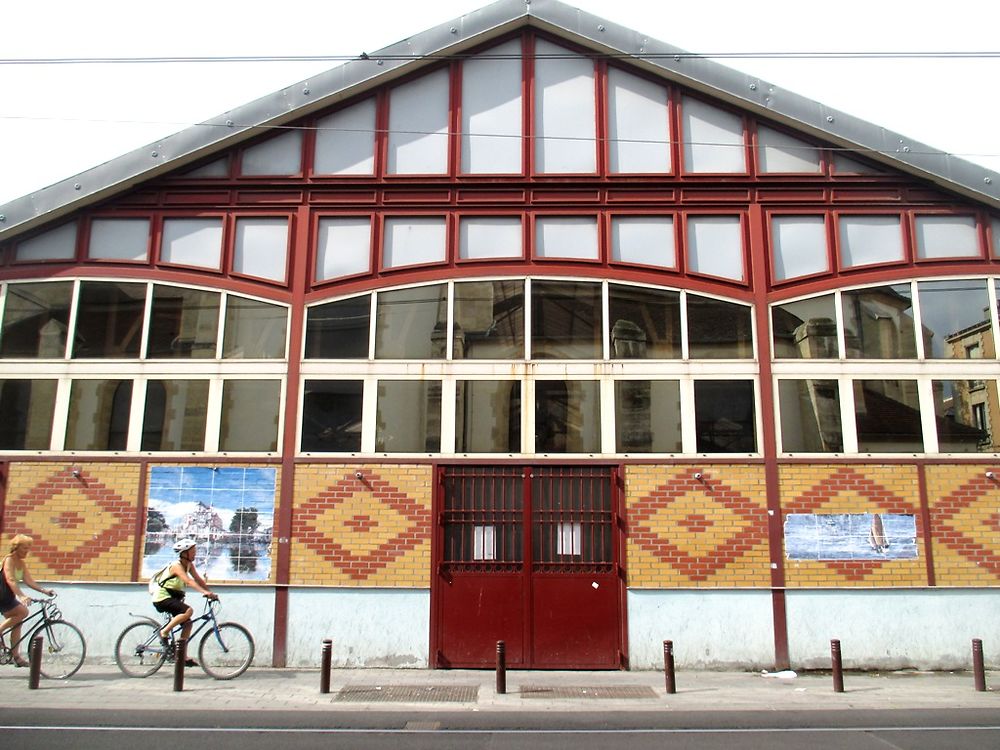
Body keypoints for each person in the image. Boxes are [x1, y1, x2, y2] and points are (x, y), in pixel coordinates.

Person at [151, 538, 218, 666]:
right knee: (188, 611)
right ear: (184, 553)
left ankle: (181, 655)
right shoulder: (176, 566)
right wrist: (203, 592)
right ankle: (164, 632)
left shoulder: (189, 565)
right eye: (193, 551)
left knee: (188, 624)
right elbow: (188, 581)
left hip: (173, 598)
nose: (195, 554)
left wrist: (210, 593)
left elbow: (198, 579)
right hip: (162, 598)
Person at [0, 534, 55, 667]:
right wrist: (22, 596)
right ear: (16, 548)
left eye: (28, 548)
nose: (27, 551)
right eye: (24, 548)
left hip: (8, 596)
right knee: (22, 612)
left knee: (18, 622)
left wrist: (44, 591)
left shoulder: (21, 563)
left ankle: (16, 657)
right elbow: (10, 579)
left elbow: (29, 581)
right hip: (2, 595)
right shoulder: (9, 560)